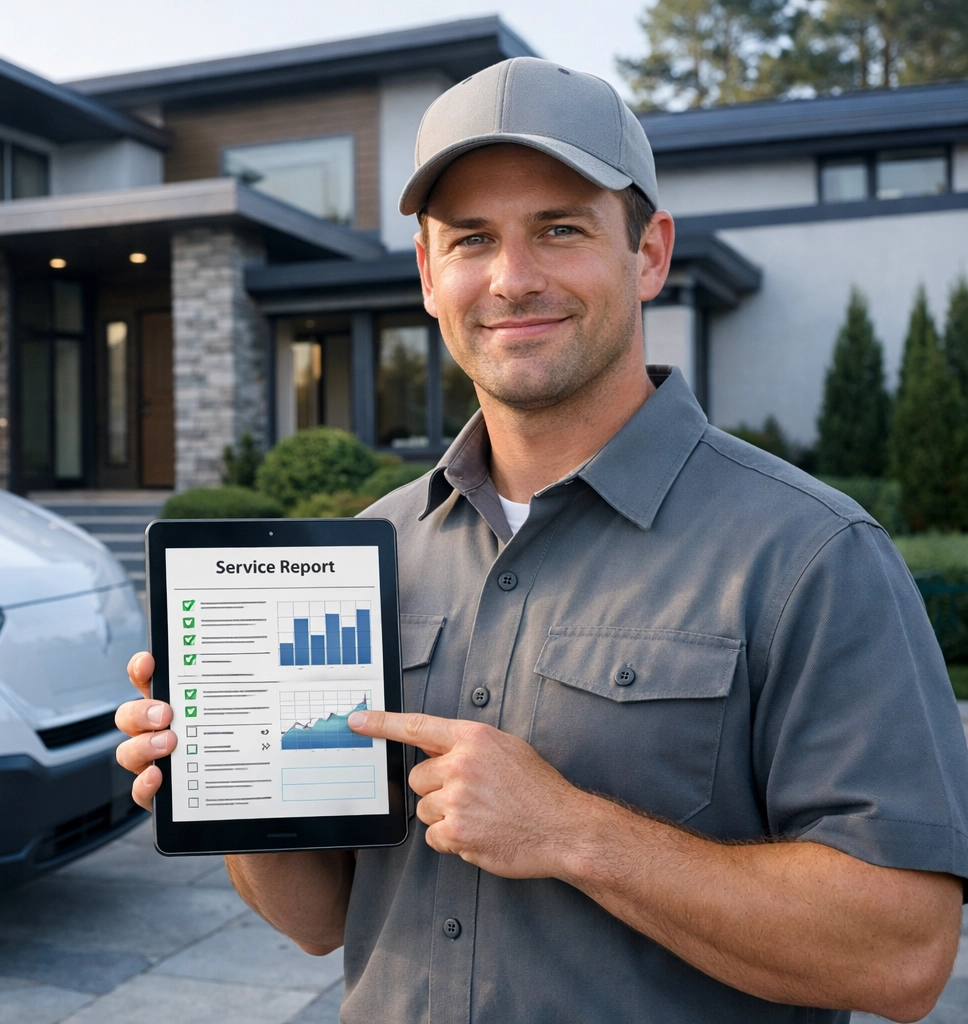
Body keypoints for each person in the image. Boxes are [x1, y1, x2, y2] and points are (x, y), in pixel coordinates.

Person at [116, 56, 968, 1022]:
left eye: (560, 229)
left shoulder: (810, 554)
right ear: (430, 276)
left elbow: (902, 955)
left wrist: (573, 831)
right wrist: (231, 786)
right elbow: (318, 919)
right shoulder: (364, 552)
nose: (512, 279)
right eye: (471, 239)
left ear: (649, 254)